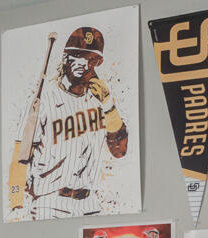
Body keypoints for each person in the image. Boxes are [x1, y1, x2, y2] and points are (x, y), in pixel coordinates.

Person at [7, 26, 129, 214]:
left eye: (92, 60)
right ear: (65, 59)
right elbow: (20, 158)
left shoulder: (101, 99)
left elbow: (119, 152)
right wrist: (16, 204)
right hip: (50, 202)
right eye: (79, 57)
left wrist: (109, 106)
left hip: (89, 203)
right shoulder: (44, 100)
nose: (85, 64)